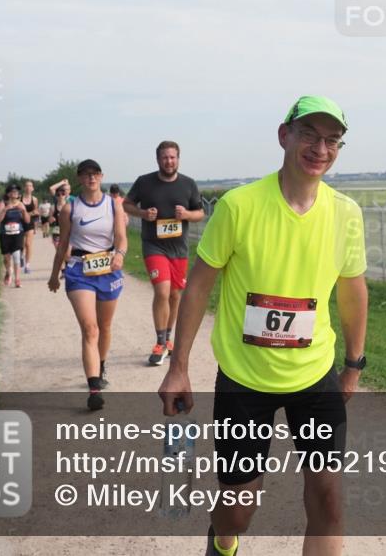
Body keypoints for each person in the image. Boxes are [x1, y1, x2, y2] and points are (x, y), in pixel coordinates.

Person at [158, 96, 368, 556]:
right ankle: (223, 538)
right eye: (310, 135)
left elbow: (353, 292)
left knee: (329, 498)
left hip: (315, 378)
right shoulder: (239, 206)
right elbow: (196, 289)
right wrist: (179, 366)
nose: (320, 148)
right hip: (245, 381)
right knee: (239, 506)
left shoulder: (346, 214)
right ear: (284, 135)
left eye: (332, 140)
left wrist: (353, 364)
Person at [48, 160, 127, 411]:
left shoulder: (113, 205)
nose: (91, 178)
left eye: (95, 174)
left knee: (104, 326)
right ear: (80, 179)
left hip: (107, 269)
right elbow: (62, 244)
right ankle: (94, 388)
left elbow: (122, 240)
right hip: (79, 270)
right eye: (86, 175)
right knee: (90, 328)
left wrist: (120, 255)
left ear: (101, 176)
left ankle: (100, 366)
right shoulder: (70, 208)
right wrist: (54, 274)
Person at [123, 141, 205, 366]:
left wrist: (187, 214)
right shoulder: (144, 182)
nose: (169, 161)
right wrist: (142, 213)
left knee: (175, 295)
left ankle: (169, 340)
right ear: (157, 159)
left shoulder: (188, 184)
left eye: (172, 157)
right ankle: (160, 342)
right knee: (162, 291)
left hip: (178, 249)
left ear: (178, 158)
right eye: (164, 158)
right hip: (154, 246)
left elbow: (200, 213)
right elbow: (126, 205)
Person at [0, 183, 29, 287]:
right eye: (13, 191)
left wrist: (23, 211)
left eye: (16, 191)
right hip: (5, 234)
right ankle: (8, 272)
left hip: (17, 233)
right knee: (6, 258)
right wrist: (5, 209)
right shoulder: (3, 204)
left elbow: (27, 221)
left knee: (16, 255)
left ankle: (17, 279)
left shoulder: (21, 204)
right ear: (8, 194)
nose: (15, 193)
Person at [21, 180, 40, 274]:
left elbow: (36, 212)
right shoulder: (19, 198)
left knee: (28, 244)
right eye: (27, 186)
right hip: (20, 223)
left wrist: (29, 214)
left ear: (32, 188)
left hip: (30, 223)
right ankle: (21, 256)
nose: (28, 187)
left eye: (30, 186)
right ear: (24, 188)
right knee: (21, 244)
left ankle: (27, 265)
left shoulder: (35, 199)